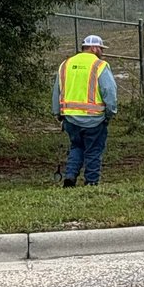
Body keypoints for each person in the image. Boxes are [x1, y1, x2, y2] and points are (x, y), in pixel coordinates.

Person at [52, 34, 117, 187]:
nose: (102, 52)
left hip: (70, 118)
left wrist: (58, 113)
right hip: (94, 119)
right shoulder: (100, 65)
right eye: (101, 48)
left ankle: (70, 177)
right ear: (94, 48)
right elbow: (109, 90)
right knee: (93, 150)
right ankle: (91, 182)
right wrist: (110, 113)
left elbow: (57, 90)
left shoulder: (65, 64)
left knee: (76, 147)